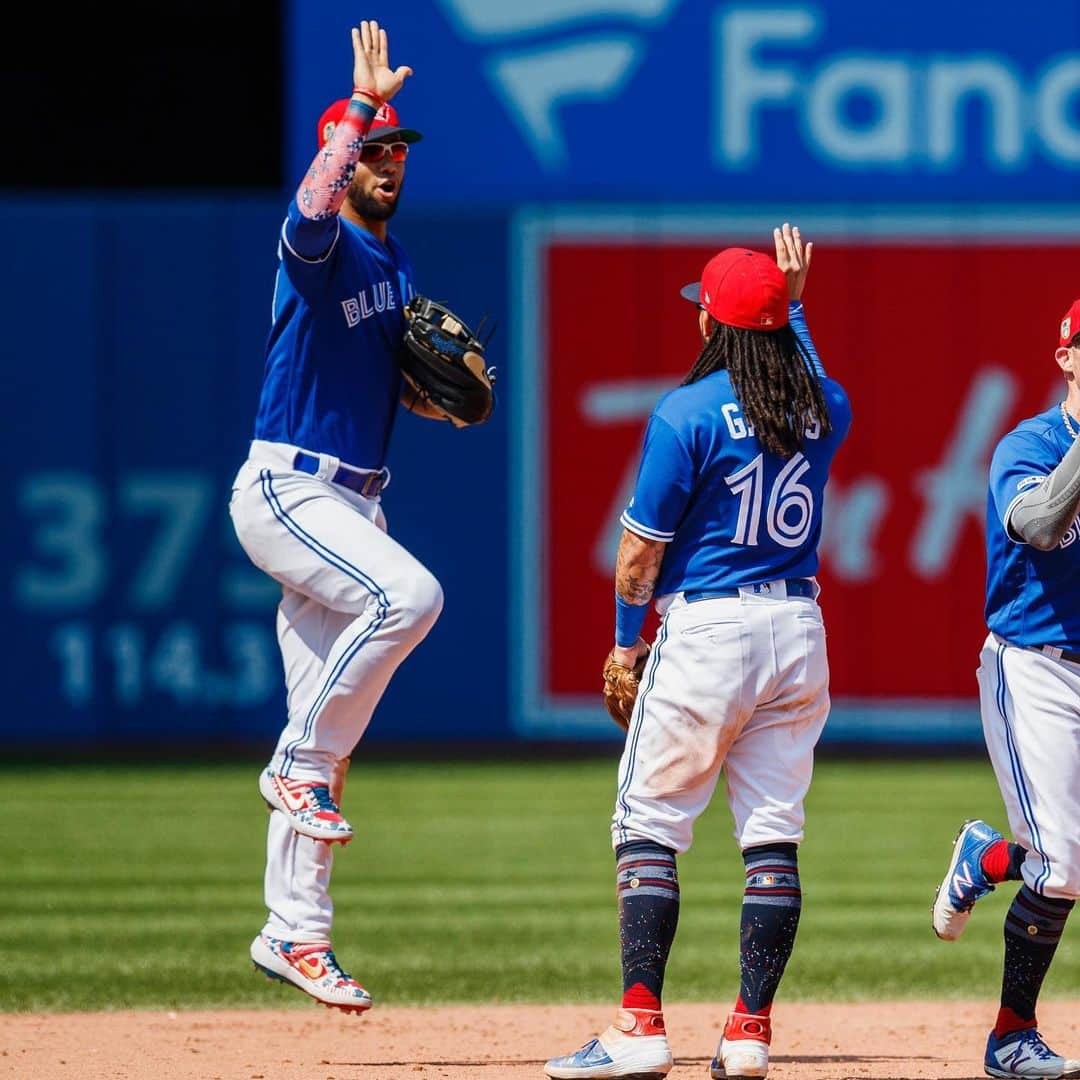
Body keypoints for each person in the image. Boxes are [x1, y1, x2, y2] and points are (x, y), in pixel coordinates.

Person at [545, 225, 851, 1080]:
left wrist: (619, 643)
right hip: (797, 634)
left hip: (707, 633)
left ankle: (641, 1027)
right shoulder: (826, 406)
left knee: (648, 825)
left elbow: (640, 554)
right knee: (772, 836)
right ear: (781, 324)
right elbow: (809, 379)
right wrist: (795, 305)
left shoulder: (684, 412)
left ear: (711, 327)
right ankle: (749, 1032)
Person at [229, 20, 456, 1013]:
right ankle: (294, 766)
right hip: (289, 489)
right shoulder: (319, 247)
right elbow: (307, 208)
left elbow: (384, 380)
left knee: (329, 727)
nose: (389, 163)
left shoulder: (395, 264)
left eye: (399, 150)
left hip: (351, 498)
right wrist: (353, 113)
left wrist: (425, 396)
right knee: (412, 596)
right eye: (376, 151)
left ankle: (296, 933)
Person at [931, 300, 1080, 1079]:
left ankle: (989, 856)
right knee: (1060, 867)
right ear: (1066, 357)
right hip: (1036, 666)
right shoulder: (1029, 444)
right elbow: (1043, 525)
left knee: (1060, 857)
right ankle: (1010, 1036)